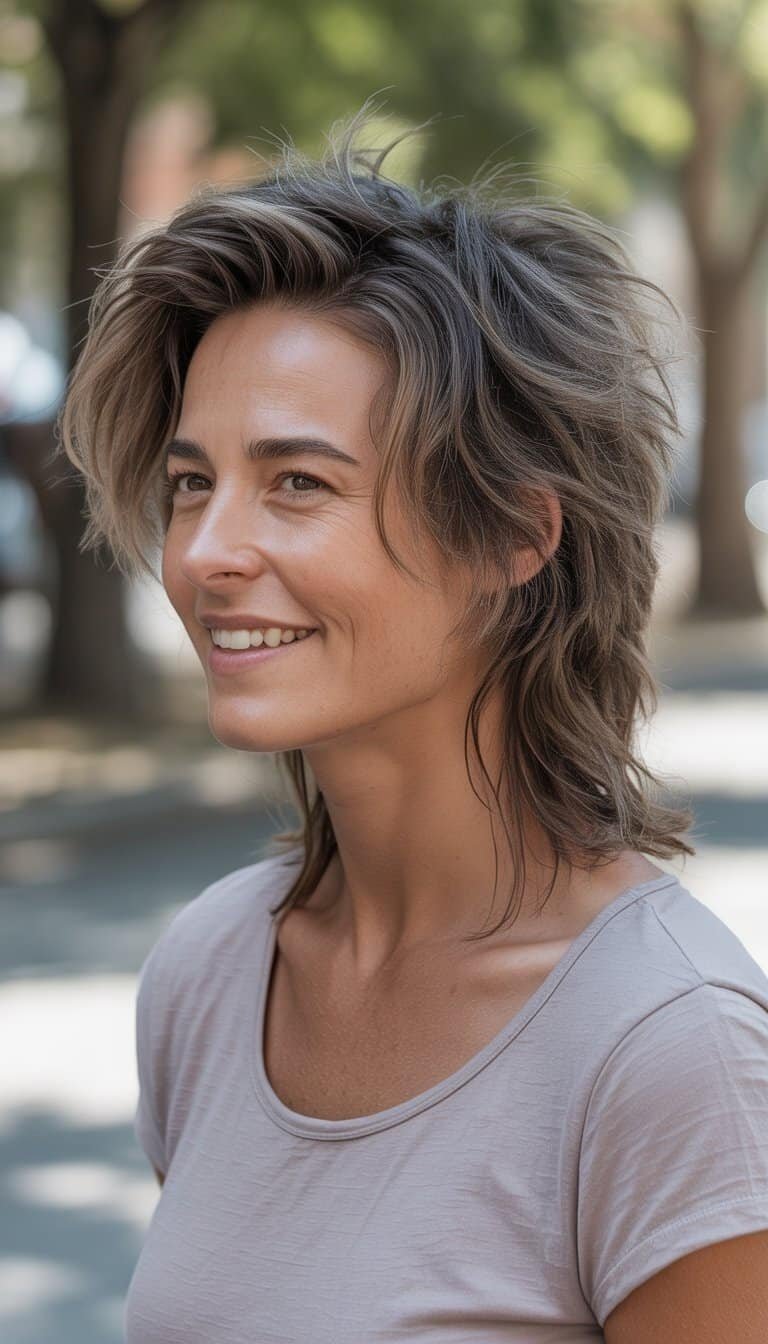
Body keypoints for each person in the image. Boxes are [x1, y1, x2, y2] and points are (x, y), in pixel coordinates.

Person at [57, 104, 768, 1342]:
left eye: (298, 482)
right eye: (191, 483)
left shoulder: (670, 1053)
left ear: (513, 533)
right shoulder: (210, 976)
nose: (209, 551)